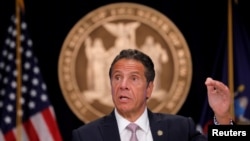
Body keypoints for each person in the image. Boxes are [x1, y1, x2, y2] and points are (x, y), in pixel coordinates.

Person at [72, 49, 233, 141]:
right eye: (117, 78)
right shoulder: (86, 136)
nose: (122, 85)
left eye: (133, 78)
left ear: (149, 88)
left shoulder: (181, 129)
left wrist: (223, 117)